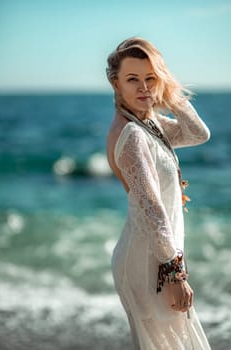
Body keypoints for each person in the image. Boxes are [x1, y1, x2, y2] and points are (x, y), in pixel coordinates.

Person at [106, 37, 211, 350]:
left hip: (157, 258)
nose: (143, 88)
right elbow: (151, 208)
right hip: (149, 264)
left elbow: (197, 133)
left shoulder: (148, 124)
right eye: (133, 79)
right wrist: (175, 275)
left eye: (150, 78)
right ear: (116, 84)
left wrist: (170, 91)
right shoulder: (132, 134)